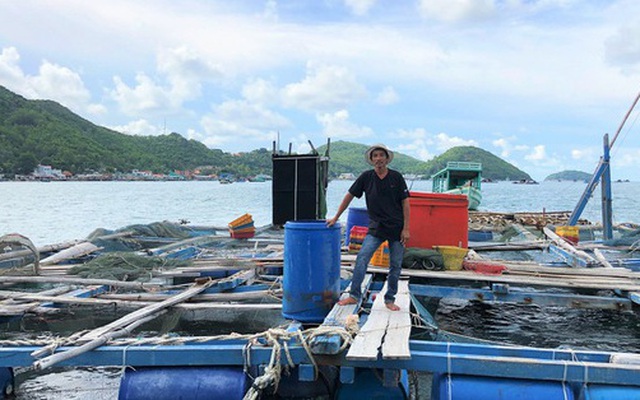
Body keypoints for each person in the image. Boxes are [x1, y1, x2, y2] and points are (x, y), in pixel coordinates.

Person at [326, 144, 410, 311]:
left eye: (381, 155)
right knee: (362, 259)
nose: (378, 159)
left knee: (395, 265)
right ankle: (354, 295)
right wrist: (336, 217)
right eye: (375, 156)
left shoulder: (396, 177)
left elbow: (406, 203)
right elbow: (349, 196)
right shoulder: (366, 177)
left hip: (396, 228)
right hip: (376, 228)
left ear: (386, 158)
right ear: (371, 160)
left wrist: (406, 229)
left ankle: (389, 299)